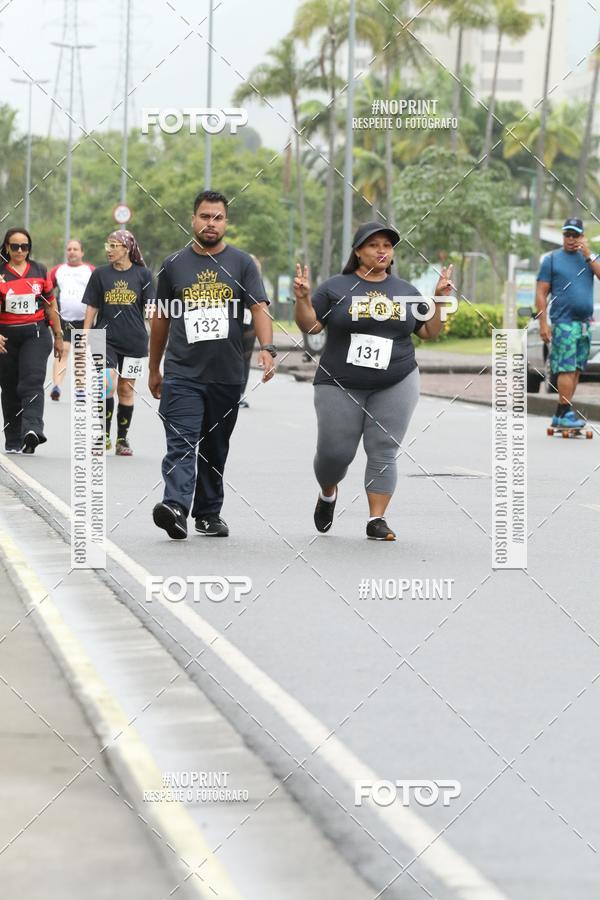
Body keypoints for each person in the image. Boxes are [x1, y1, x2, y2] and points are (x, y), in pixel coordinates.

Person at [294, 221, 454, 541]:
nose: (382, 250)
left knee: (383, 449)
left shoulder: (406, 292)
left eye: (387, 245)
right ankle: (328, 493)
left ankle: (376, 519)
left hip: (397, 379)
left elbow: (429, 332)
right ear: (358, 252)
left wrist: (437, 300)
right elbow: (311, 327)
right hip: (339, 382)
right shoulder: (336, 288)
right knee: (334, 454)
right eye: (373, 245)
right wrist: (303, 299)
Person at [149, 189, 276, 540]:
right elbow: (160, 317)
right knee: (182, 442)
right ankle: (175, 506)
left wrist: (268, 347)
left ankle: (207, 513)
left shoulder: (242, 264)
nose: (211, 223)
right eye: (205, 216)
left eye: (217, 217)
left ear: (226, 223)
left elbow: (259, 307)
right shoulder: (174, 265)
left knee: (214, 447)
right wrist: (153, 367)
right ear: (192, 219)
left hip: (226, 375)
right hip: (181, 373)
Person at [82, 231, 154, 455]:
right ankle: (102, 435)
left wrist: (158, 338)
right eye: (108, 245)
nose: (109, 249)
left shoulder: (144, 275)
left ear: (127, 249)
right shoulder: (100, 274)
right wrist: (85, 332)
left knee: (126, 389)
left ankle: (122, 439)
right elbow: (92, 305)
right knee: (106, 383)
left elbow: (150, 309)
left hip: (135, 339)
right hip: (102, 337)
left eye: (114, 245)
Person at [0, 227, 63, 454]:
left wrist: (58, 335)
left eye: (24, 246)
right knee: (9, 388)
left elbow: (50, 305)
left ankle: (33, 430)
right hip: (5, 336)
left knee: (31, 381)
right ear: (7, 247)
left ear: (29, 248)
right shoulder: (1, 272)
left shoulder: (39, 270)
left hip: (36, 334)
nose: (19, 250)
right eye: (15, 246)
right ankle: (14, 440)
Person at [536, 216, 600, 429]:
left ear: (582, 237)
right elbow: (541, 293)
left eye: (575, 235)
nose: (571, 239)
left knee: (577, 369)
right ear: (563, 236)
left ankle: (560, 413)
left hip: (584, 324)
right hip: (563, 322)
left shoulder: (589, 259)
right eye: (567, 234)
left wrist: (588, 254)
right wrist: (543, 323)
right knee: (566, 368)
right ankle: (565, 413)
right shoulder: (552, 260)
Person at [49, 238, 94, 400]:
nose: (72, 252)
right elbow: (46, 291)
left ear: (82, 252)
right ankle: (57, 386)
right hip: (64, 319)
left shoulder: (90, 270)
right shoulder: (58, 270)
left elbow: (99, 294)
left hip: (85, 320)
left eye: (75, 249)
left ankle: (80, 389)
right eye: (69, 249)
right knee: (63, 351)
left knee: (81, 353)